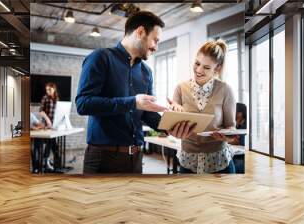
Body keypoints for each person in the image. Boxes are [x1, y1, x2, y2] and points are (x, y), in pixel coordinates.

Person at [76, 11, 196, 174]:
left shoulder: (147, 72)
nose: (156, 47)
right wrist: (133, 102)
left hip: (136, 158)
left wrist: (171, 126)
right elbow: (83, 104)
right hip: (103, 158)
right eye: (155, 40)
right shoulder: (100, 58)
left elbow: (147, 114)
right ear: (140, 32)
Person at [169, 39, 237, 174]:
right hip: (188, 161)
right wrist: (173, 114)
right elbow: (172, 130)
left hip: (218, 161)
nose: (199, 70)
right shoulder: (180, 89)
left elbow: (231, 128)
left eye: (206, 67)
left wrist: (226, 136)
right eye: (197, 63)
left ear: (217, 68)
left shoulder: (225, 90)